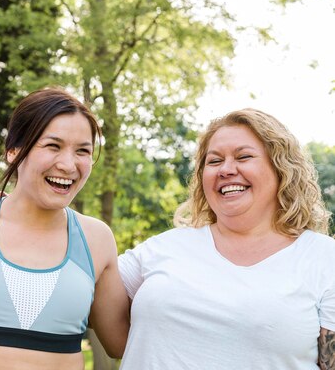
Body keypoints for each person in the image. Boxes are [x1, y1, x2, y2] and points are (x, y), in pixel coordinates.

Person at [118, 108, 335, 369]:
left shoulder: (324, 258)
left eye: (243, 156)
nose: (227, 169)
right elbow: (83, 289)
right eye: (214, 161)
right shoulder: (163, 247)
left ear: (281, 169)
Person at [0, 87, 130, 370]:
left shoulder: (97, 238)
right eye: (53, 146)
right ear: (14, 151)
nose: (68, 164)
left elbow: (117, 342)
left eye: (83, 151)